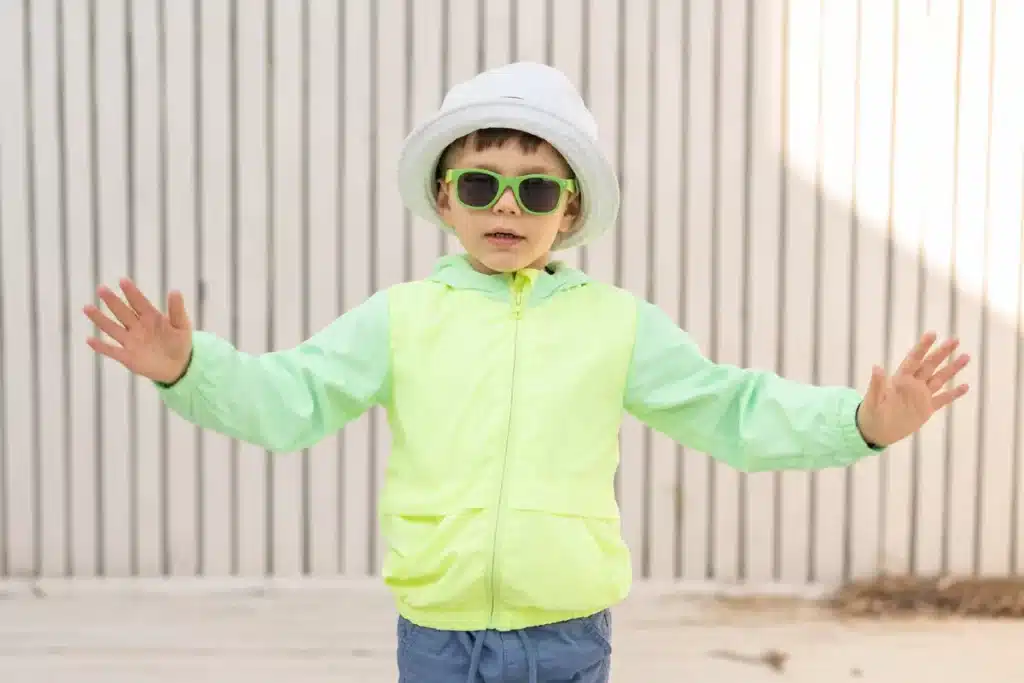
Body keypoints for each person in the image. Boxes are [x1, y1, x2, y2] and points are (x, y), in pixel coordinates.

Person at [82, 62, 970, 683]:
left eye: (536, 189)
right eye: (481, 185)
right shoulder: (401, 317)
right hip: (437, 634)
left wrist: (860, 423)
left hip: (565, 635)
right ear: (444, 197)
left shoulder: (615, 324)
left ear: (569, 209)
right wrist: (190, 368)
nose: (507, 206)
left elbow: (732, 409)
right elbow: (291, 400)